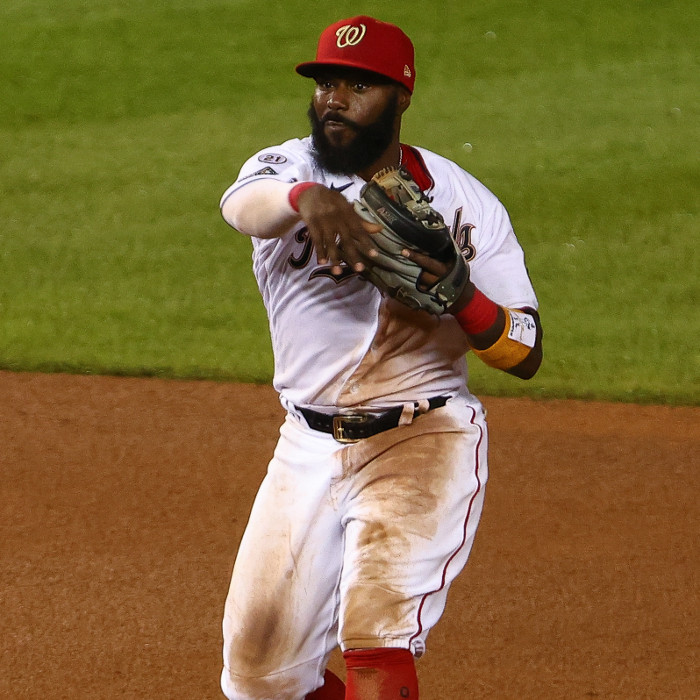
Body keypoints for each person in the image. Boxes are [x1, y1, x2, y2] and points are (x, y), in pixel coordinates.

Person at [218, 15, 542, 700]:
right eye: (326, 84)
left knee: (377, 642)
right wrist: (308, 199)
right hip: (305, 446)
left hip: (422, 437)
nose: (334, 100)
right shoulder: (286, 170)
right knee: (260, 682)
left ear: (401, 97)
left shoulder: (465, 204)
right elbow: (243, 207)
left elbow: (524, 349)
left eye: (358, 87)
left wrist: (463, 298)